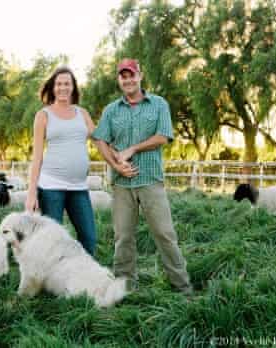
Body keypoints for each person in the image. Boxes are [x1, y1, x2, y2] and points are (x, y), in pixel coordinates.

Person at [91, 58, 193, 294]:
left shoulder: (158, 104)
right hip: (121, 184)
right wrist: (116, 165)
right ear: (119, 80)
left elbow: (163, 136)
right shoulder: (111, 110)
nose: (127, 80)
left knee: (164, 234)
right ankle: (124, 287)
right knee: (123, 237)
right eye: (123, 76)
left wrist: (132, 149)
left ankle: (183, 287)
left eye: (131, 75)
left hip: (150, 180)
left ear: (140, 76)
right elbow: (100, 140)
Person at [25, 66, 97, 256]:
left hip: (79, 187)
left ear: (73, 87)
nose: (62, 87)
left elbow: (100, 140)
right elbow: (37, 156)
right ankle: (49, 282)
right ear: (53, 87)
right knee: (50, 242)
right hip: (50, 188)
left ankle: (82, 280)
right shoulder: (43, 115)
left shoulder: (83, 114)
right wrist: (32, 193)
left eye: (67, 83)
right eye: (58, 84)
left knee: (89, 238)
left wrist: (118, 159)